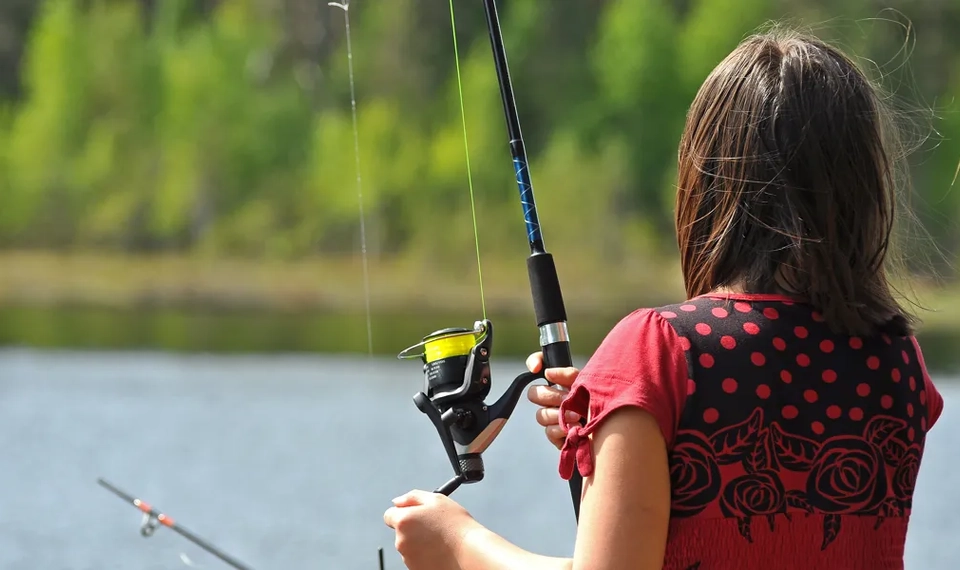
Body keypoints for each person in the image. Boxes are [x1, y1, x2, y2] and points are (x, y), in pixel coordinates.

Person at [383, 28, 945, 570]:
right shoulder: (898, 364)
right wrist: (615, 416)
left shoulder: (656, 350)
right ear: (862, 188)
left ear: (707, 181)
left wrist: (457, 544)